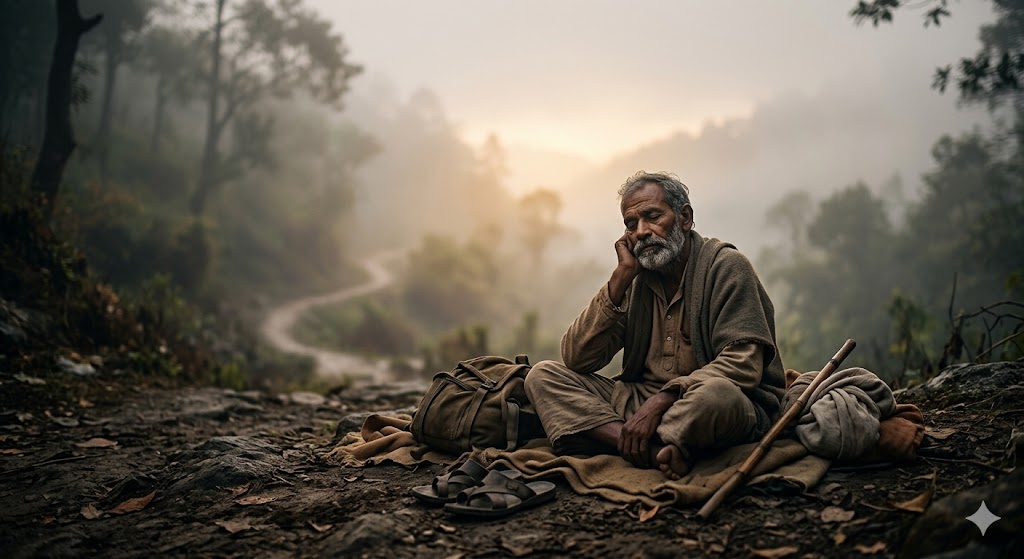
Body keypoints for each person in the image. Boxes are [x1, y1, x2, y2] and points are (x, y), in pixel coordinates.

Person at [523, 171, 786, 479]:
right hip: (640, 402)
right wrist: (621, 277)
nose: (641, 232)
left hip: (705, 402)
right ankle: (650, 449)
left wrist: (663, 400)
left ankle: (621, 437)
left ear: (685, 218)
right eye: (631, 224)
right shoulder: (636, 278)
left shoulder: (726, 267)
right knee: (542, 375)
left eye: (652, 217)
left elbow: (744, 364)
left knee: (716, 396)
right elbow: (577, 357)